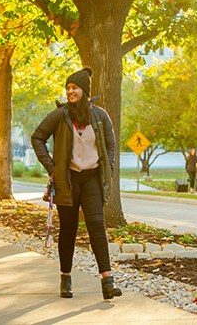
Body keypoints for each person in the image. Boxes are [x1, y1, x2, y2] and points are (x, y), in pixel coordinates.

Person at [31, 67, 122, 300]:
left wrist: (108, 168)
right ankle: (65, 279)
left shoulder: (99, 116)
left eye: (75, 88)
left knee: (96, 227)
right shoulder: (60, 115)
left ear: (85, 90)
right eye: (68, 88)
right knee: (68, 230)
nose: (70, 91)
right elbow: (37, 137)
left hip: (92, 178)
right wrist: (52, 168)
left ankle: (107, 281)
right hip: (68, 179)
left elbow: (110, 145)